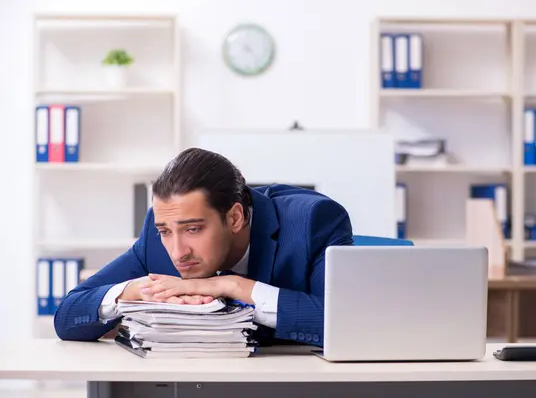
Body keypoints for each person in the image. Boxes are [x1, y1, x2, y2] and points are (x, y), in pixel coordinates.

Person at [53, 148, 354, 347]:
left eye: (194, 229)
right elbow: (67, 317)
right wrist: (130, 291)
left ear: (235, 217)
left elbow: (345, 325)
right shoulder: (161, 229)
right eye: (165, 232)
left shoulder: (312, 222)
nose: (177, 251)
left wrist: (233, 286)